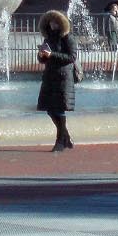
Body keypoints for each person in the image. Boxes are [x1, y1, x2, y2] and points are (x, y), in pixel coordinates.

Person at [36, 9, 76, 152]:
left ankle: (60, 141)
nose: (52, 24)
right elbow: (42, 59)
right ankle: (66, 137)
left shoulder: (67, 37)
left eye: (55, 22)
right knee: (49, 110)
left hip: (63, 77)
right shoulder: (48, 38)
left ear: (60, 23)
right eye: (50, 22)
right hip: (49, 76)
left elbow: (72, 57)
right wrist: (42, 55)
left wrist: (51, 54)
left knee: (58, 108)